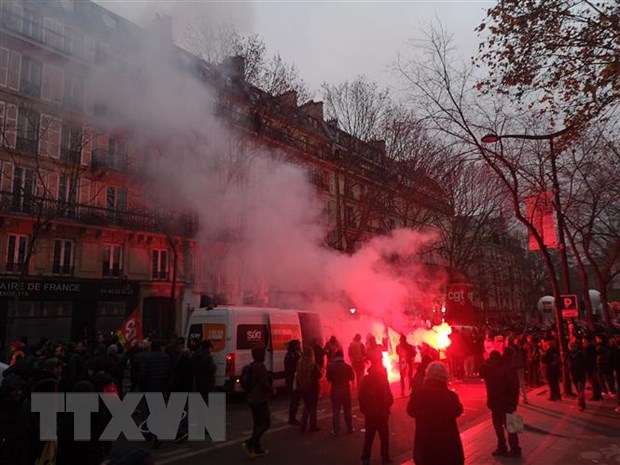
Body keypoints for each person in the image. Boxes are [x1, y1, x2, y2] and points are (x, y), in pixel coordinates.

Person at [407, 361, 464, 465]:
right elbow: (458, 410)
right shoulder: (450, 396)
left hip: (425, 445)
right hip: (447, 446)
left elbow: (411, 411)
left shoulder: (418, 395)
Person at [480, 350, 521, 458]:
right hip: (506, 403)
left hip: (497, 403)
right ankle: (515, 449)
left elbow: (481, 373)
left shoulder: (491, 369)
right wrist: (514, 403)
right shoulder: (508, 367)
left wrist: (485, 362)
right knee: (511, 427)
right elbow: (516, 386)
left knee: (499, 426)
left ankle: (503, 447)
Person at [358, 360, 393, 465]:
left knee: (369, 437)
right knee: (384, 437)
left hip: (369, 414)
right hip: (381, 414)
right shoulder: (383, 380)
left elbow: (360, 397)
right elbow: (389, 398)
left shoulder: (364, 380)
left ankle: (365, 458)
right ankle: (385, 457)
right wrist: (386, 408)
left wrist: (364, 410)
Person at [242, 347, 272, 457]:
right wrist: (271, 389)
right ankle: (249, 443)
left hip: (251, 397)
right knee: (265, 423)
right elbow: (264, 383)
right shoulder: (261, 367)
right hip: (259, 398)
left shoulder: (251, 366)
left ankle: (257, 448)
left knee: (257, 423)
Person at [326, 349, 355, 435]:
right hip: (345, 391)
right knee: (347, 411)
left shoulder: (331, 367)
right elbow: (352, 378)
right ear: (342, 357)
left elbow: (328, 379)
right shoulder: (347, 367)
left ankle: (336, 430)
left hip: (335, 391)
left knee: (336, 411)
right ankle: (349, 428)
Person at [296, 346, 322, 432]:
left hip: (304, 387)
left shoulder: (300, 364)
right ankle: (312, 426)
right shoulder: (313, 365)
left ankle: (303, 426)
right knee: (313, 408)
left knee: (307, 407)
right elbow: (319, 375)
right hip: (313, 388)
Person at [284, 339, 302, 425]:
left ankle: (292, 417)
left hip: (292, 379)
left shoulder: (289, 355)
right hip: (294, 380)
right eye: (298, 344)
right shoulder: (293, 355)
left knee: (296, 399)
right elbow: (295, 367)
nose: (300, 346)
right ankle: (292, 418)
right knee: (295, 399)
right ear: (295, 346)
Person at [567, 341, 587, 410]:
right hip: (573, 374)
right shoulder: (568, 355)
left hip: (581, 374)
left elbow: (585, 364)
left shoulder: (581, 354)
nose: (572, 348)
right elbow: (565, 364)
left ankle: (581, 404)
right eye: (571, 346)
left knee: (581, 390)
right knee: (578, 390)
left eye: (574, 346)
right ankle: (581, 402)